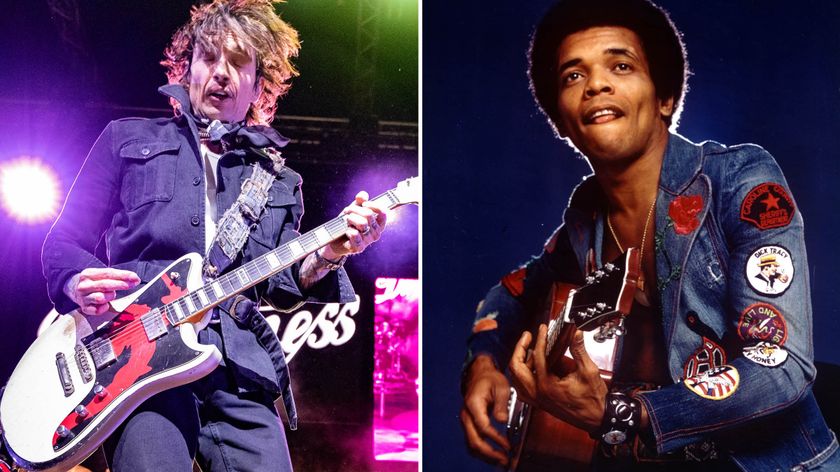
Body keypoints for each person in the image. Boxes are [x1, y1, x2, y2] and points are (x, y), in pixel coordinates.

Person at [459, 0, 839, 470]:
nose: (596, 83)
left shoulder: (739, 181)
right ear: (560, 121)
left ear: (665, 98)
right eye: (573, 76)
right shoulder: (585, 218)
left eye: (621, 65)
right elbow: (512, 290)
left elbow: (781, 364)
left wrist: (624, 414)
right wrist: (483, 362)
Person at [41, 0, 385, 470]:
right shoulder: (125, 137)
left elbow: (281, 286)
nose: (221, 73)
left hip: (239, 367)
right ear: (187, 70)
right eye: (209, 58)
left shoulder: (278, 180)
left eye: (238, 63)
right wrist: (75, 280)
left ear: (258, 86)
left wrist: (329, 253)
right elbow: (63, 243)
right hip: (140, 362)